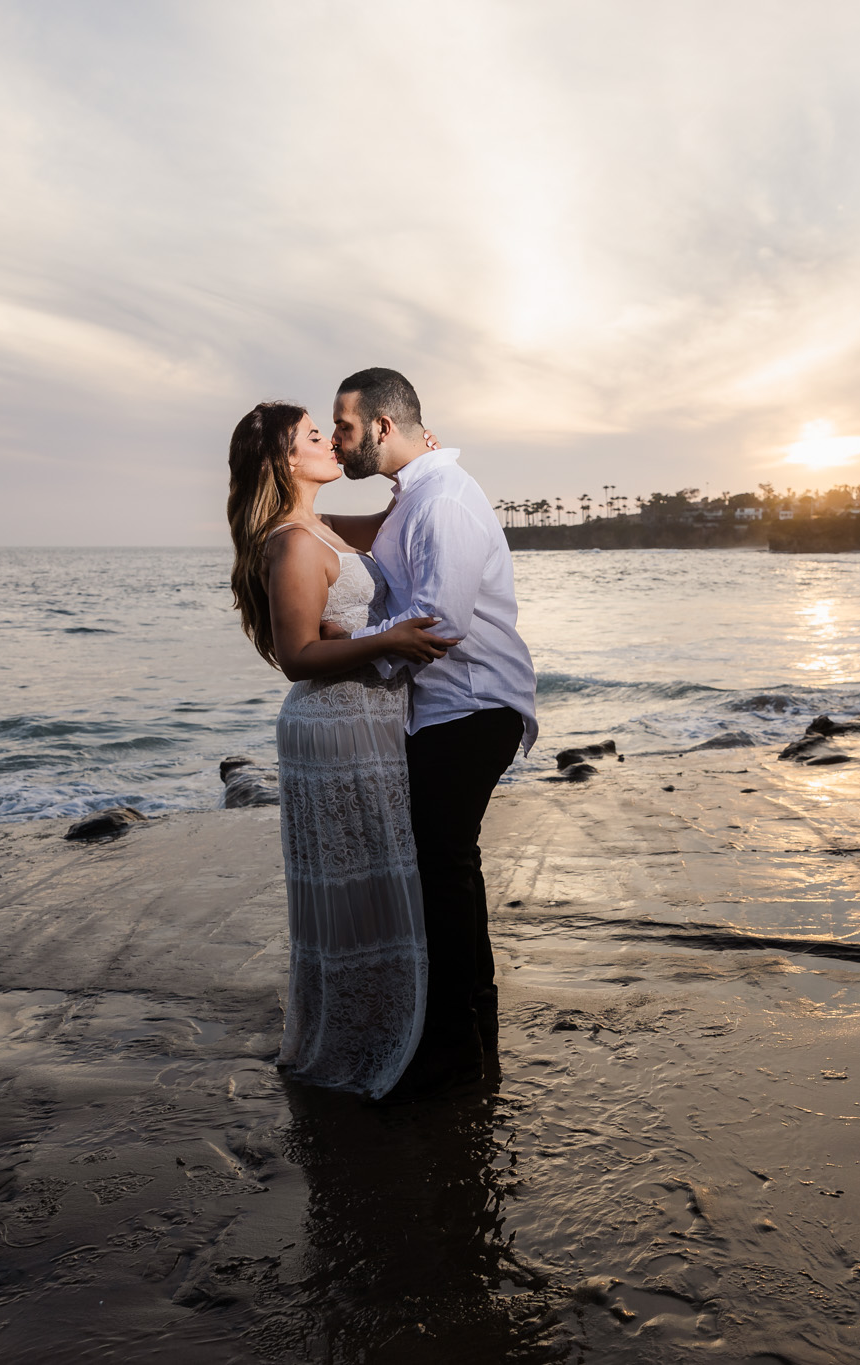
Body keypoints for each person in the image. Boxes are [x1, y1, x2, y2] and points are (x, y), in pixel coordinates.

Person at [225, 401, 459, 1100]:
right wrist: (386, 639)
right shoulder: (292, 542)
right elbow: (299, 655)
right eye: (316, 436)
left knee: (378, 872)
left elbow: (398, 525)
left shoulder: (319, 525)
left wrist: (418, 460)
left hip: (366, 717)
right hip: (331, 722)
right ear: (285, 460)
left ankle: (387, 1026)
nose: (331, 443)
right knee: (358, 881)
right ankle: (358, 1039)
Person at [320, 368, 537, 1097]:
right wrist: (295, 520)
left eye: (344, 426)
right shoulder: (416, 495)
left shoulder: (442, 501)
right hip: (452, 710)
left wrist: (345, 640)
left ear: (382, 426)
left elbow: (439, 624)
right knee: (447, 869)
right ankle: (469, 1032)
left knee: (441, 871)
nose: (339, 439)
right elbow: (375, 549)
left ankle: (453, 1048)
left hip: (473, 706)